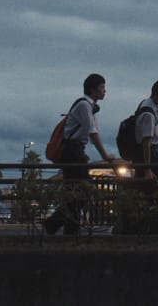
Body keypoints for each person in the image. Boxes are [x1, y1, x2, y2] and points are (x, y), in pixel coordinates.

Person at [44, 72, 115, 235]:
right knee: (82, 189)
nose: (104, 90)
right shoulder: (84, 105)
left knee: (76, 190)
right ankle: (58, 224)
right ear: (93, 89)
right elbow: (93, 133)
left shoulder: (88, 106)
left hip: (74, 150)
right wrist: (105, 156)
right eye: (102, 87)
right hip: (73, 151)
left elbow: (92, 131)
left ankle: (67, 227)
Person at [134, 79, 158, 180]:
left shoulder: (144, 103)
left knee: (142, 185)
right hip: (149, 155)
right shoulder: (149, 114)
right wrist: (148, 169)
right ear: (156, 94)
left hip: (142, 155)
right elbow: (146, 142)